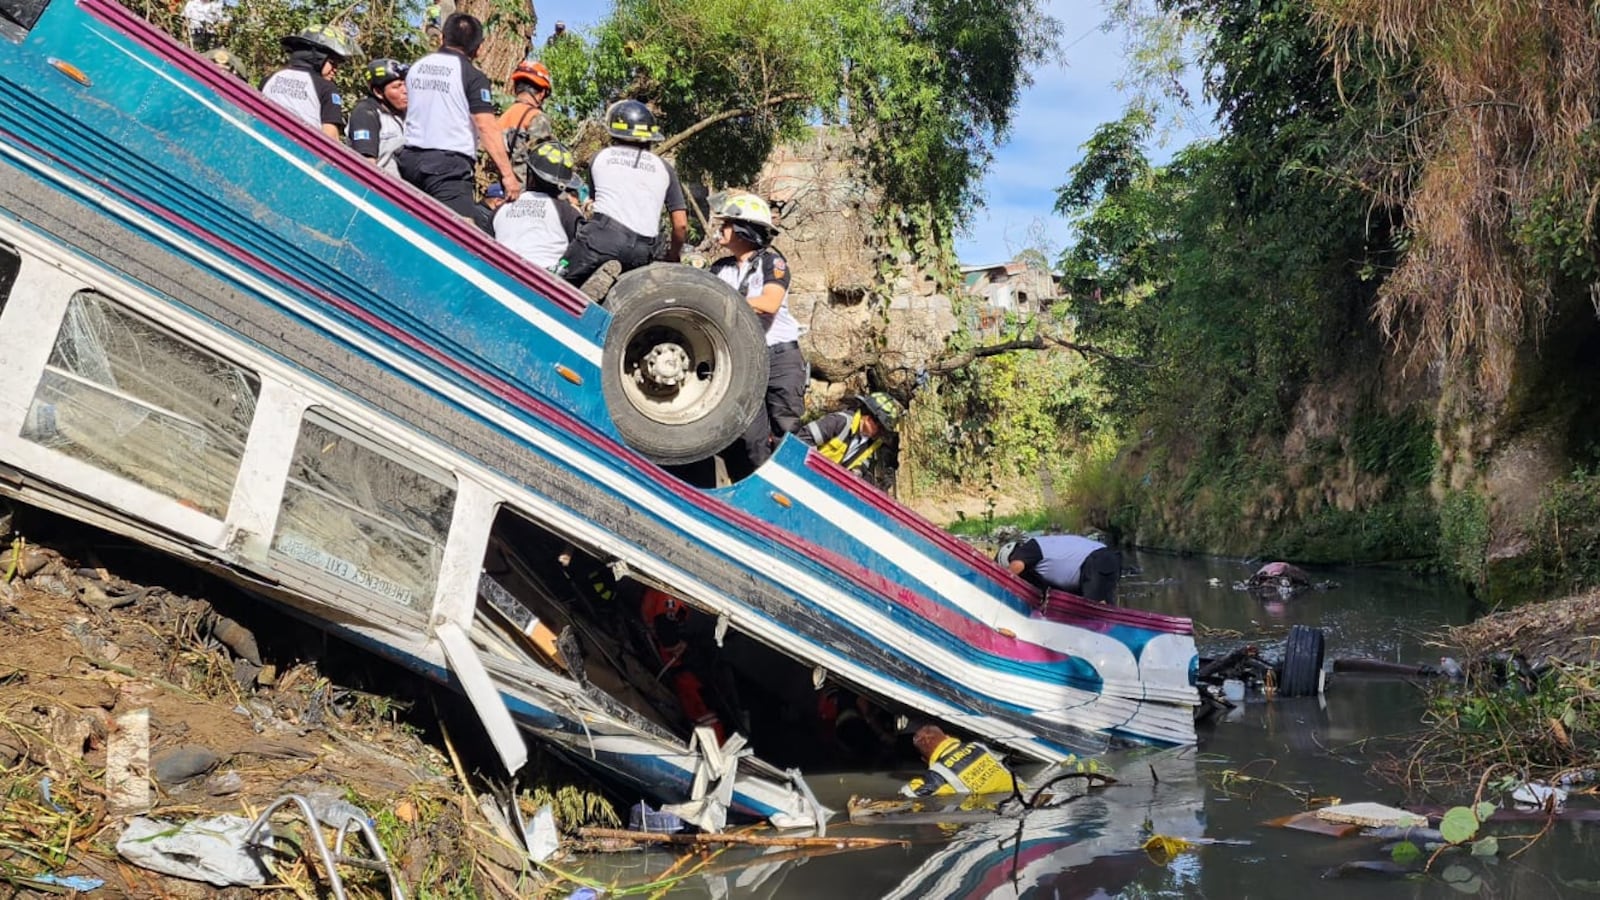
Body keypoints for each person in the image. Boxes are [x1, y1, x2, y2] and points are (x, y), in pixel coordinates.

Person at [709, 193, 804, 478]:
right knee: (751, 438)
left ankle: (792, 493)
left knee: (787, 432)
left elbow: (770, 303)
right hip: (744, 361)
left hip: (779, 359)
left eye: (726, 224)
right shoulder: (720, 269)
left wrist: (724, 299)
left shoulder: (772, 264)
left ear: (743, 229)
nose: (720, 230)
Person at [396, 13, 521, 218]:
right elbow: (486, 126)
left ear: (443, 38)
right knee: (457, 236)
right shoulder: (472, 76)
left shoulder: (416, 68)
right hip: (447, 170)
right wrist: (508, 175)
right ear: (479, 49)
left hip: (409, 162)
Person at [559, 100, 687, 292]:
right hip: (642, 252)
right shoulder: (665, 168)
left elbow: (594, 204)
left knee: (558, 285)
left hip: (601, 239)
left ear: (614, 133)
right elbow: (681, 223)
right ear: (650, 138)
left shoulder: (600, 158)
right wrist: (673, 255)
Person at [640, 587, 726, 743]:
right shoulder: (667, 595)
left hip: (679, 664)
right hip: (680, 667)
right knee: (704, 711)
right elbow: (668, 636)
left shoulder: (661, 595)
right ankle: (715, 748)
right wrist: (689, 651)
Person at [494, 140, 585, 269]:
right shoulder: (568, 214)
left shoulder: (501, 209)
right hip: (544, 282)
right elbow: (580, 254)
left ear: (530, 174)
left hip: (498, 276)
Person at [260, 24, 356, 140]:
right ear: (319, 58)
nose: (335, 69)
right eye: (333, 63)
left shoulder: (269, 79)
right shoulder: (326, 88)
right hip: (302, 155)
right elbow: (331, 137)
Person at [998, 534, 1121, 605]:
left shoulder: (1029, 547)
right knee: (1105, 611)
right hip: (1109, 560)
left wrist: (999, 587)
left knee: (1095, 610)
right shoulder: (1044, 570)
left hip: (1095, 561)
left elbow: (1017, 566)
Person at [901, 725, 1018, 798]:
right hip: (1023, 797)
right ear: (947, 737)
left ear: (924, 760)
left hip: (995, 813)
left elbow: (907, 794)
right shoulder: (980, 747)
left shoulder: (938, 775)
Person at [799, 392, 901, 472]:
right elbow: (802, 438)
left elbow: (863, 465)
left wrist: (858, 471)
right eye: (880, 428)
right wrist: (812, 464)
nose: (880, 433)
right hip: (803, 469)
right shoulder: (839, 422)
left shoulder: (871, 444)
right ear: (869, 418)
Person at [347, 58, 408, 176]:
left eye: (406, 84)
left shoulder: (405, 113)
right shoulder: (366, 113)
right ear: (378, 92)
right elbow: (366, 165)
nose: (405, 91)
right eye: (397, 86)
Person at [497, 60, 555, 173]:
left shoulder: (503, 117)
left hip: (505, 186)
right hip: (528, 187)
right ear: (542, 93)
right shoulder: (536, 117)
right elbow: (544, 161)